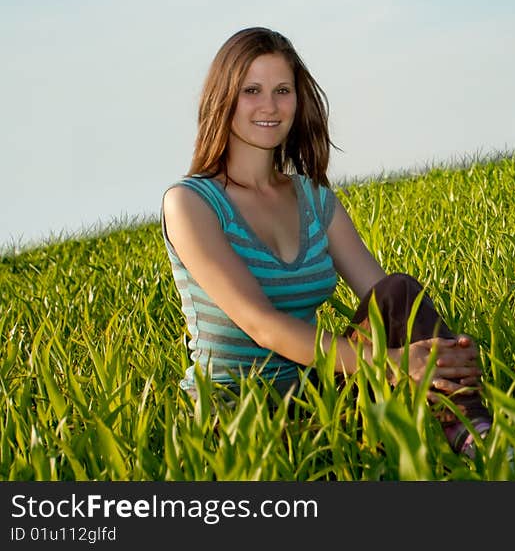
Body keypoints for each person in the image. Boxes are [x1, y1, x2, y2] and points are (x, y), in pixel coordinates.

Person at [160, 26, 492, 459]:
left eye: (282, 90)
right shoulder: (190, 203)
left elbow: (390, 307)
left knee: (399, 291)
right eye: (251, 90)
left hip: (314, 392)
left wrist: (439, 349)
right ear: (223, 99)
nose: (270, 106)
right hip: (236, 414)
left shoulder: (314, 198)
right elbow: (262, 325)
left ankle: (476, 435)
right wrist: (394, 362)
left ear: (299, 102)